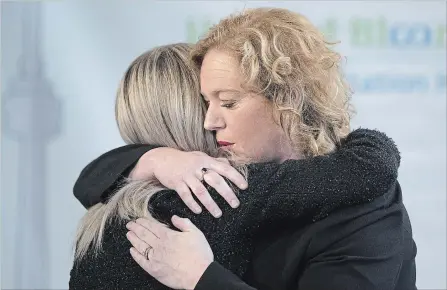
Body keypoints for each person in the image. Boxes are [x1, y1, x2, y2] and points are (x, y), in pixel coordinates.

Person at [72, 8, 417, 290]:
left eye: (229, 102)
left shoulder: (359, 207)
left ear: (287, 99)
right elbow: (88, 182)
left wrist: (202, 277)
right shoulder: (214, 191)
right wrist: (155, 158)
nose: (209, 122)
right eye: (206, 102)